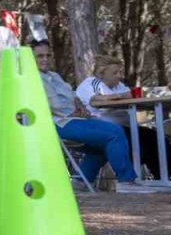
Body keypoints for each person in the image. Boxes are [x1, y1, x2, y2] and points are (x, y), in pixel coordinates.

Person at [30, 40, 154, 193]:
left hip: (74, 119)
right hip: (57, 123)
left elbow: (73, 96)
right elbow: (52, 104)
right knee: (113, 132)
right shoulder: (31, 78)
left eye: (48, 55)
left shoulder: (54, 76)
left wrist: (81, 108)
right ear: (30, 58)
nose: (45, 59)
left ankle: (80, 182)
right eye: (40, 56)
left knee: (103, 142)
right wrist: (73, 111)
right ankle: (127, 181)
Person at [75, 54, 171, 181]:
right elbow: (95, 100)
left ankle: (167, 176)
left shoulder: (119, 86)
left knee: (154, 135)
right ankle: (146, 178)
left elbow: (129, 96)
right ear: (101, 74)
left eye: (120, 72)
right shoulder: (91, 83)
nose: (119, 76)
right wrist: (123, 96)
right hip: (103, 127)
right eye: (114, 73)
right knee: (143, 140)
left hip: (125, 126)